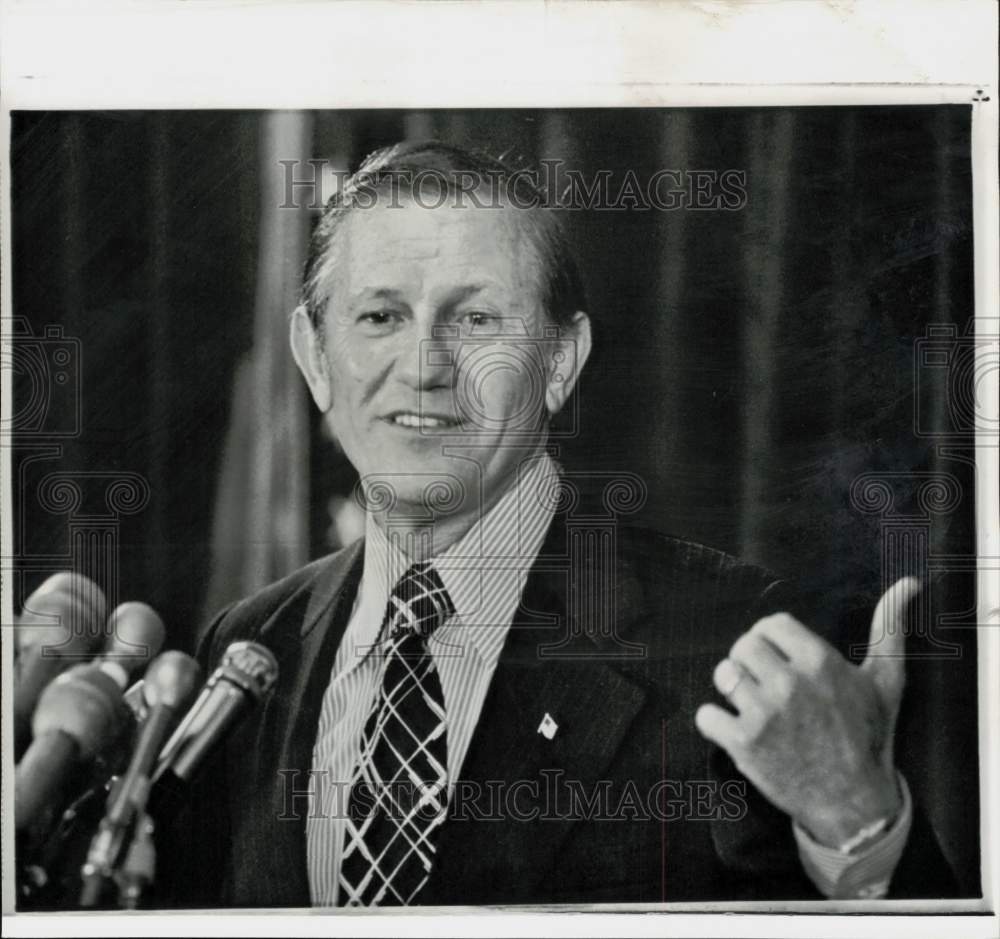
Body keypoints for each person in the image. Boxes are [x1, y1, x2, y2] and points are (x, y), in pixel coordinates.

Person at [158, 140, 955, 907]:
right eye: (379, 317)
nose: (426, 364)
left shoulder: (727, 639)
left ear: (560, 362)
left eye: (475, 321)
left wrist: (860, 827)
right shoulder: (249, 648)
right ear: (314, 355)